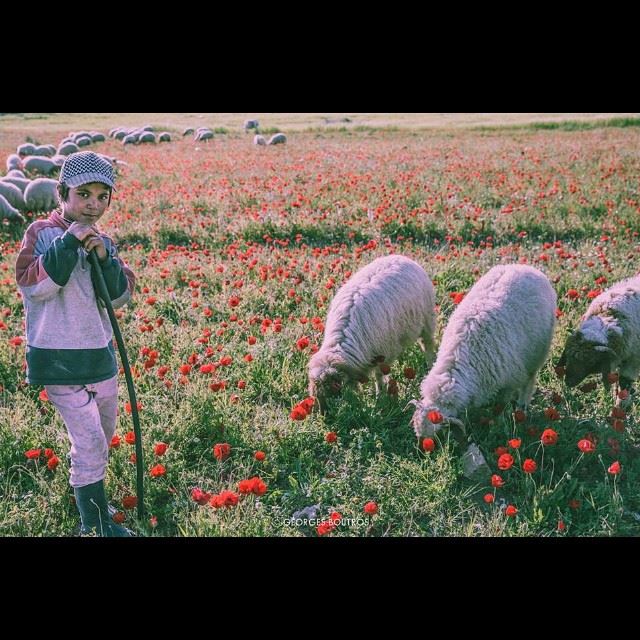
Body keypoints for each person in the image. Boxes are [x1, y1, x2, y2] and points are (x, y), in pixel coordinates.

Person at [15, 151, 136, 537]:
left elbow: (116, 299)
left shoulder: (104, 241)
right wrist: (68, 244)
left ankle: (92, 498)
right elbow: (34, 288)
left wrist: (104, 259)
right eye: (84, 194)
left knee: (102, 434)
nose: (93, 205)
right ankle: (95, 523)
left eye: (103, 196)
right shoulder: (42, 234)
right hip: (60, 358)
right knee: (88, 440)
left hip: (99, 355)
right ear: (62, 193)